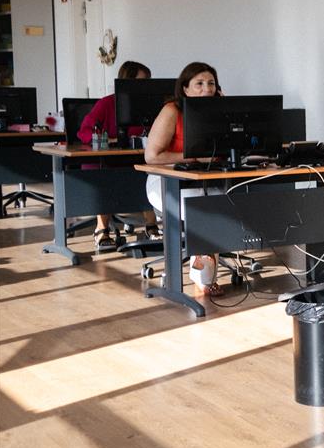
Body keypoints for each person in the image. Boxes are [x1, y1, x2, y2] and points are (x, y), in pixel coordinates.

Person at [143, 61, 226, 297]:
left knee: (222, 204)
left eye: (211, 83)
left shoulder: (218, 111)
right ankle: (204, 276)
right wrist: (193, 158)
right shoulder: (172, 111)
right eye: (199, 84)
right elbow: (152, 156)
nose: (207, 89)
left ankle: (205, 270)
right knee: (204, 208)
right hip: (167, 180)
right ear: (185, 89)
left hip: (206, 179)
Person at [77, 60, 159, 251]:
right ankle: (101, 229)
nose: (146, 86)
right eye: (142, 81)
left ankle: (151, 226)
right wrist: (108, 140)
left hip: (136, 157)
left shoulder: (148, 105)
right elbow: (84, 132)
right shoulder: (106, 103)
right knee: (106, 177)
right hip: (106, 159)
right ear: (127, 81)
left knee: (150, 172)